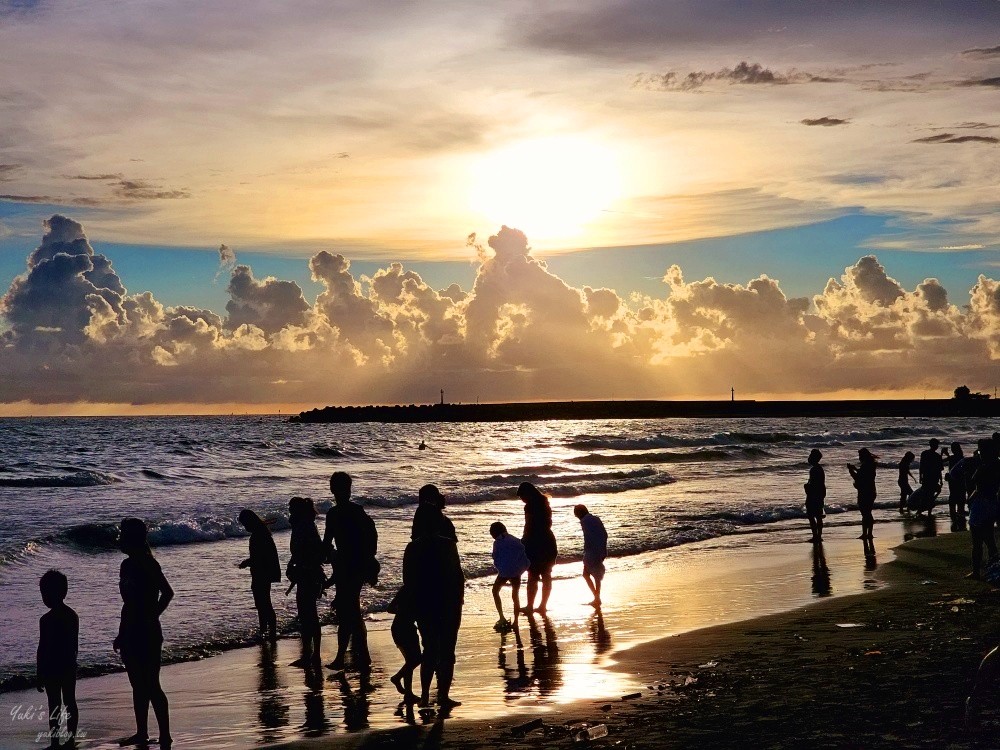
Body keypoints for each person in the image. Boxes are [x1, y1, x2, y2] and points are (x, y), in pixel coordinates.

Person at [114, 518, 173, 748]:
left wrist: (153, 615)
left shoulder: (149, 563)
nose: (120, 538)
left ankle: (165, 734)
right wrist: (121, 633)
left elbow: (167, 593)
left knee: (151, 684)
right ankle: (142, 732)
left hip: (147, 631)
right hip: (130, 631)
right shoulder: (126, 565)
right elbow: (127, 604)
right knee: (137, 686)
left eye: (123, 535)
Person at [404, 503, 465, 709]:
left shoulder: (413, 548)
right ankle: (443, 696)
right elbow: (457, 577)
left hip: (424, 604)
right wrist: (458, 602)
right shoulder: (448, 545)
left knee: (429, 649)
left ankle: (424, 696)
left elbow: (408, 581)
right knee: (447, 651)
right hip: (448, 603)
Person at [323, 472, 378, 672]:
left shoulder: (334, 513)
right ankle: (360, 655)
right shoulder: (357, 511)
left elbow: (326, 544)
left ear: (332, 489)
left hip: (346, 567)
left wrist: (327, 556)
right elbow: (372, 537)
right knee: (351, 611)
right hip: (357, 566)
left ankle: (352, 656)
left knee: (349, 613)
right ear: (349, 489)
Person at [36, 570, 78, 750]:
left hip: (55, 667)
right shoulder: (71, 616)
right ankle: (68, 740)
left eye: (45, 593)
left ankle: (58, 741)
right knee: (68, 702)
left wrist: (40, 672)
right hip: (66, 666)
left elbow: (43, 648)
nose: (44, 598)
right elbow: (72, 645)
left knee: (56, 704)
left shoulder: (48, 620)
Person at [287, 496, 326, 667]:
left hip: (308, 575)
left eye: (291, 507)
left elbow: (306, 553)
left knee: (307, 616)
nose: (288, 511)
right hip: (310, 574)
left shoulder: (303, 527)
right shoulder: (307, 525)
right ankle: (311, 654)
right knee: (309, 615)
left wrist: (296, 567)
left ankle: (312, 655)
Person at [238, 509, 281, 644]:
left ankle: (270, 631)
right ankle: (266, 631)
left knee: (264, 603)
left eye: (245, 524)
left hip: (261, 573)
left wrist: (247, 562)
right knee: (262, 603)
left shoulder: (258, 535)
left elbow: (259, 557)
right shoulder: (262, 532)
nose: (245, 528)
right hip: (262, 572)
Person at [517, 482, 558, 614]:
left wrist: (523, 540)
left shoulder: (529, 507)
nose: (521, 500)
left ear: (527, 494)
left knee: (532, 576)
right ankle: (542, 606)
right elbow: (549, 523)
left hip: (535, 542)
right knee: (546, 575)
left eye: (522, 496)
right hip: (548, 540)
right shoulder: (545, 503)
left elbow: (528, 525)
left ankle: (530, 606)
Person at [967, 438, 1000, 579]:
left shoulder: (984, 467)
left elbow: (977, 487)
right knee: (990, 540)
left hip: (981, 504)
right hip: (993, 502)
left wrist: (969, 498)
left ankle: (975, 572)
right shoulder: (998, 464)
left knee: (977, 541)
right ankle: (994, 568)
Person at [490, 521, 529, 631]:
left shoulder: (497, 542)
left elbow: (495, 557)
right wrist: (523, 565)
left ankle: (502, 617)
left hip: (504, 572)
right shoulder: (515, 540)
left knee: (495, 591)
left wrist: (500, 567)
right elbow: (523, 549)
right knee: (515, 596)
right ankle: (516, 622)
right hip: (516, 571)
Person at [386, 585, 421, 704]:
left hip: (404, 628)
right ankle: (397, 678)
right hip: (403, 628)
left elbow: (390, 608)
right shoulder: (411, 589)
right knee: (415, 660)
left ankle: (408, 694)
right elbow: (390, 608)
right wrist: (407, 613)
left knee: (411, 660)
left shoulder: (409, 588)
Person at [574, 504, 608, 608]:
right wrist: (602, 549)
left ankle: (597, 597)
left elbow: (588, 538)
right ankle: (597, 597)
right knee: (596, 575)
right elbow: (605, 534)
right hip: (600, 549)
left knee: (586, 574)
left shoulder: (584, 521)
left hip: (591, 551)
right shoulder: (596, 519)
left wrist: (586, 550)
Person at [848, 448, 877, 539]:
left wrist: (851, 470)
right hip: (871, 491)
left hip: (864, 492)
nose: (859, 458)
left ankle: (865, 534)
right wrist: (855, 469)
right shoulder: (871, 465)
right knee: (868, 512)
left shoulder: (865, 466)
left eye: (860, 456)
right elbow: (862, 474)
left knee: (865, 513)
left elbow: (858, 477)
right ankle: (869, 533)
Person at [804, 449, 827, 541]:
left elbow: (814, 483)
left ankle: (816, 536)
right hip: (820, 493)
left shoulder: (814, 469)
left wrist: (807, 487)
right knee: (818, 515)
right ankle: (818, 535)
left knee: (811, 515)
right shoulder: (819, 469)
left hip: (814, 494)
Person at [919, 438, 945, 510]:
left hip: (927, 477)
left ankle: (921, 510)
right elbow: (939, 469)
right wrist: (941, 480)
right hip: (934, 478)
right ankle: (928, 511)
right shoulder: (937, 456)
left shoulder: (924, 453)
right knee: (931, 494)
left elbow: (921, 466)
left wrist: (920, 477)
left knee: (926, 494)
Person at [946, 442, 967, 517]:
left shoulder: (952, 458)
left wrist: (943, 454)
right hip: (960, 478)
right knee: (961, 494)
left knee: (953, 495)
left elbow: (940, 461)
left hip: (952, 479)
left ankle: (952, 511)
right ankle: (960, 510)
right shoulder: (961, 457)